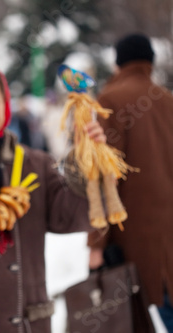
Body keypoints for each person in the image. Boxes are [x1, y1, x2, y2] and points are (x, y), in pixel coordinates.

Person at [0, 62, 105, 332]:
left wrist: (86, 160)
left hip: (29, 323)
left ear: (5, 105)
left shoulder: (35, 164)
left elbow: (74, 217)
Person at [88, 33, 173, 331]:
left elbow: (103, 177)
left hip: (129, 237)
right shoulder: (168, 101)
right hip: (168, 238)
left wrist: (96, 244)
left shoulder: (110, 100)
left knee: (127, 320)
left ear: (117, 63)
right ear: (150, 62)